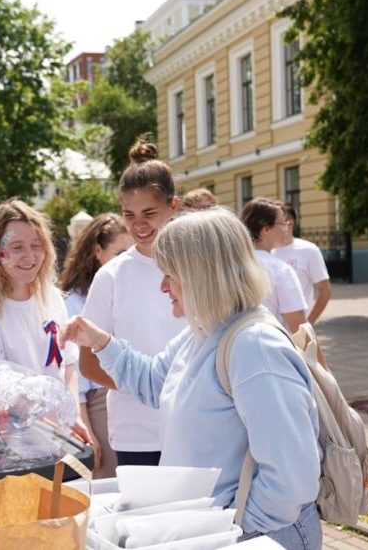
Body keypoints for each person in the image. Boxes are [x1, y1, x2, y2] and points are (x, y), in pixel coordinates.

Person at [62, 208, 322, 549]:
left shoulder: (255, 347)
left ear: (204, 275)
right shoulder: (204, 331)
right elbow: (156, 383)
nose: (162, 285)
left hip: (254, 537)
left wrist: (233, 531)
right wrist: (100, 342)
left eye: (170, 274)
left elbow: (291, 480)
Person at [80, 136, 186, 467]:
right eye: (129, 214)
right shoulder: (112, 276)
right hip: (137, 432)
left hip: (195, 424)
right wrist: (146, 386)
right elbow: (88, 362)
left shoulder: (197, 266)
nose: (139, 225)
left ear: (173, 206)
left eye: (149, 213)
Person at [0, 198, 90, 442]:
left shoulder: (52, 298)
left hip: (58, 438)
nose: (30, 256)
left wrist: (72, 416)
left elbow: (67, 367)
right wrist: (47, 422)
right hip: (8, 445)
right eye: (17, 247)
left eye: (36, 245)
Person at [60, 213, 132, 478]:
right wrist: (88, 429)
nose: (128, 259)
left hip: (134, 398)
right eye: (120, 252)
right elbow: (75, 372)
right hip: (99, 405)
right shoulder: (74, 303)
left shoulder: (130, 292)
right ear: (98, 251)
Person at [241, 197, 309, 332]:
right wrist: (314, 353)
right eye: (282, 223)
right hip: (273, 349)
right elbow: (300, 328)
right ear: (265, 229)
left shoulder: (230, 265)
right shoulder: (280, 270)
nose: (286, 228)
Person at [272, 203, 332, 324]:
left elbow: (325, 290)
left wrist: (309, 323)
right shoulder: (267, 251)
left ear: (289, 223)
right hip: (271, 330)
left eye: (274, 223)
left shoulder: (308, 250)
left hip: (297, 332)